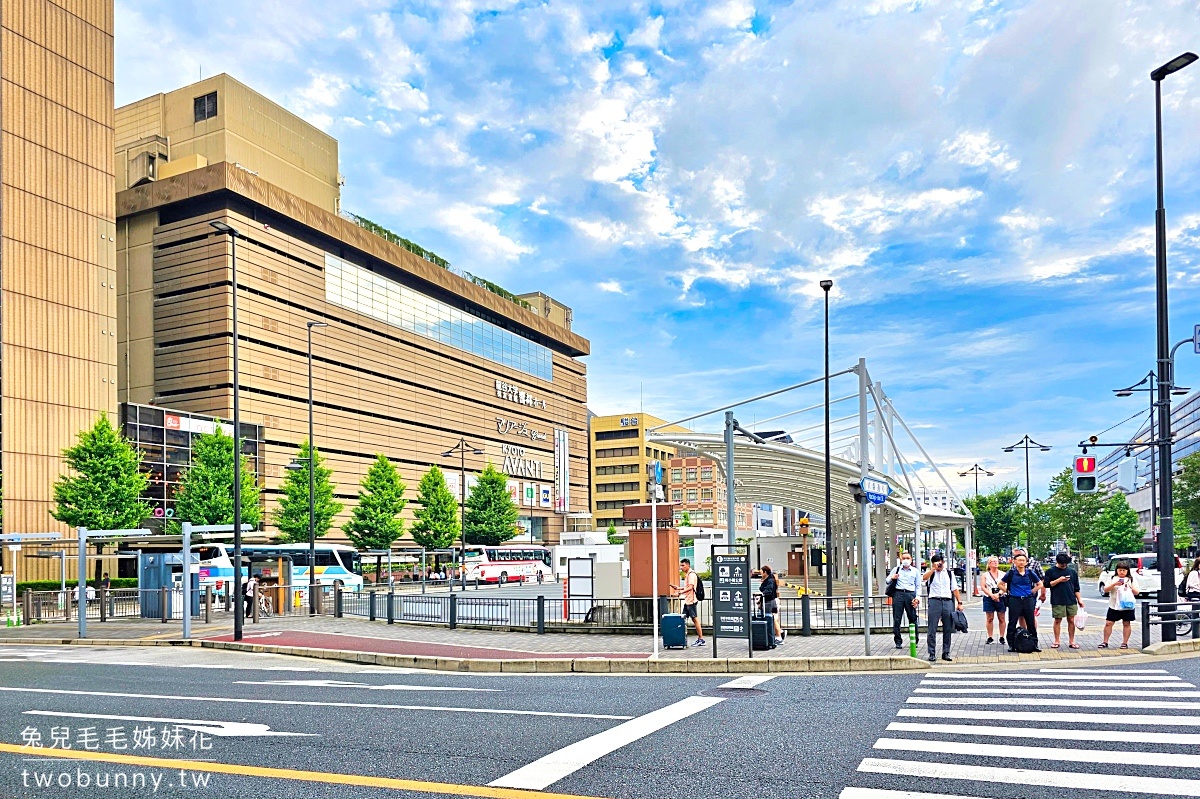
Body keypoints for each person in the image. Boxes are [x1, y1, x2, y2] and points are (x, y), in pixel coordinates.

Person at [922, 553, 963, 663]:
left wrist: (959, 602)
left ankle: (946, 652)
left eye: (941, 562)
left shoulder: (949, 574)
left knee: (948, 628)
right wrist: (933, 569)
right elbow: (923, 579)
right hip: (934, 601)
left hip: (947, 601)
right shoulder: (931, 573)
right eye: (937, 562)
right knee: (932, 628)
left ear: (944, 562)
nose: (940, 564)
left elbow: (954, 588)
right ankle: (932, 653)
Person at [1003, 552, 1042, 651]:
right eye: (1019, 560)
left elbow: (1039, 584)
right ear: (1014, 562)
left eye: (1023, 560)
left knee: (1031, 622)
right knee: (1012, 622)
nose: (1021, 562)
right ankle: (1011, 644)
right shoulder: (1011, 573)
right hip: (1014, 600)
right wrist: (1008, 591)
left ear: (1026, 562)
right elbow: (1000, 584)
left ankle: (1034, 644)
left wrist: (1032, 592)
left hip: (1028, 599)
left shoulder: (1030, 572)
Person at [1045, 552, 1084, 650]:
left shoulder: (1072, 572)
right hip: (1057, 599)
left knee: (1071, 620)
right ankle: (1057, 640)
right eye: (1062, 564)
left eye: (1066, 564)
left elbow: (1076, 588)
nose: (1064, 566)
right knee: (1058, 620)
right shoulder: (1051, 571)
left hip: (1071, 599)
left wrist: (1079, 599)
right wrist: (1059, 580)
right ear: (1057, 562)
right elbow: (1046, 584)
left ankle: (1072, 641)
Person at [1100, 559, 1139, 649]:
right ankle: (1105, 642)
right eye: (1120, 570)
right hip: (1114, 605)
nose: (1121, 572)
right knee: (1109, 623)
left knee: (1126, 623)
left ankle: (1124, 643)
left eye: (1124, 570)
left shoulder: (1131, 579)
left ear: (1127, 571)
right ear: (1116, 570)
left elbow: (1137, 592)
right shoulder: (1112, 578)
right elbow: (1105, 590)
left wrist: (1129, 586)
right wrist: (1114, 584)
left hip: (1127, 606)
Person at [886, 552, 921, 650]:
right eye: (904, 558)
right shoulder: (896, 569)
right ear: (901, 559)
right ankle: (898, 641)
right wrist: (892, 577)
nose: (905, 560)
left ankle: (915, 640)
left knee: (913, 618)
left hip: (910, 594)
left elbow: (918, 586)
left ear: (911, 559)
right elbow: (887, 580)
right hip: (898, 594)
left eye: (908, 558)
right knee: (897, 619)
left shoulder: (915, 571)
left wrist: (917, 598)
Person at [672, 558, 705, 647]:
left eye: (683, 565)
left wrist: (679, 593)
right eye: (680, 565)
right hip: (688, 601)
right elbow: (688, 587)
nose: (681, 567)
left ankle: (701, 639)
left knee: (694, 619)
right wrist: (678, 588)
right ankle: (682, 638)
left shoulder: (691, 575)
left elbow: (690, 588)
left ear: (688, 565)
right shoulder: (688, 575)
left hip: (691, 601)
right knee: (683, 619)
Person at [1010, 547, 1045, 629]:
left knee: (1030, 615)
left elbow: (1042, 579)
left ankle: (1032, 635)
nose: (1017, 558)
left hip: (1030, 595)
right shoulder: (1014, 565)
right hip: (1017, 595)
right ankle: (1024, 635)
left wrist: (1042, 593)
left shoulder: (1035, 564)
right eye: (1015, 556)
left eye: (1018, 555)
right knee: (1020, 615)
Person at [980, 556, 1007, 645]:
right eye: (993, 562)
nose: (995, 563)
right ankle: (990, 636)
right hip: (988, 597)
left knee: (1002, 618)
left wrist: (998, 594)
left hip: (1001, 597)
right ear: (989, 564)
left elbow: (1006, 586)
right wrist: (991, 595)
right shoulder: (985, 575)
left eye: (996, 561)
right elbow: (983, 587)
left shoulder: (1003, 574)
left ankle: (1002, 636)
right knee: (989, 618)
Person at [759, 565, 783, 645]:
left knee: (773, 619)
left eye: (761, 572)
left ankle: (779, 636)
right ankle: (779, 634)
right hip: (769, 601)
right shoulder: (768, 580)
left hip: (770, 602)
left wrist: (761, 594)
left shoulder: (770, 581)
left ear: (765, 572)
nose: (760, 573)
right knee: (773, 619)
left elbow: (768, 591)